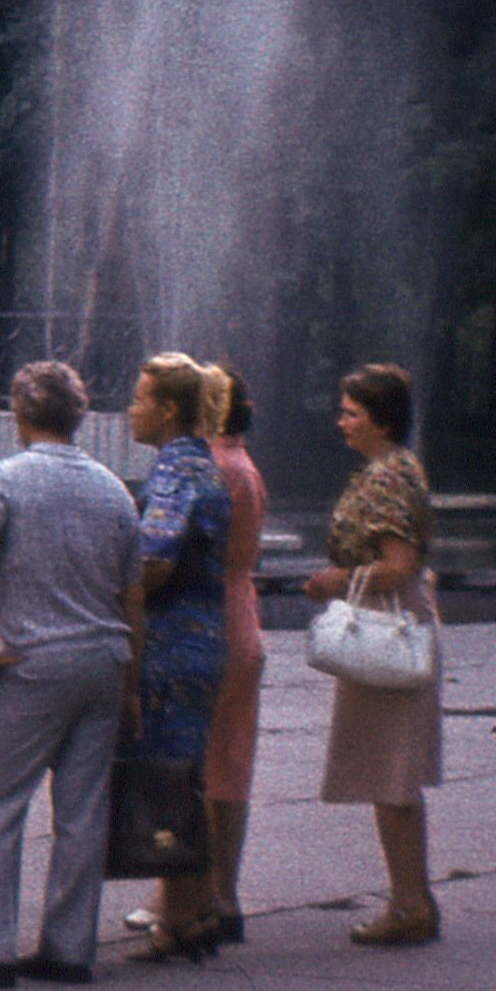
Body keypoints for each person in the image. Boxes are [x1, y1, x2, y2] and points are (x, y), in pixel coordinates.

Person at [0, 360, 144, 989]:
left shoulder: (5, 479)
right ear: (78, 416)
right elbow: (134, 597)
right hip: (105, 659)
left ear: (20, 413)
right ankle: (68, 948)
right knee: (83, 809)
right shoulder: (112, 488)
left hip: (37, 660)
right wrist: (133, 682)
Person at [302, 362, 444, 945]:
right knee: (395, 771)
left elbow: (397, 565)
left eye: (351, 413)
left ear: (381, 421)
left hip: (384, 625)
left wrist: (337, 580)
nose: (341, 422)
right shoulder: (399, 467)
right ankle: (411, 898)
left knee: (391, 772)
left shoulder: (385, 478)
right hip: (398, 616)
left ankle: (411, 903)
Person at [121, 351, 233, 961]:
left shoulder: (172, 472)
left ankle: (186, 916)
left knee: (169, 780)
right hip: (204, 639)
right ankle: (199, 906)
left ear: (166, 409)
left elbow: (156, 560)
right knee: (185, 778)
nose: (130, 411)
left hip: (170, 645)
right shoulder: (205, 465)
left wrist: (116, 596)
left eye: (139, 400)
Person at [201, 365, 270, 943]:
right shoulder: (243, 462)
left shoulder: (212, 466)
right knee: (231, 764)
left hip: (208, 618)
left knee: (197, 763)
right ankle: (225, 893)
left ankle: (193, 894)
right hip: (242, 613)